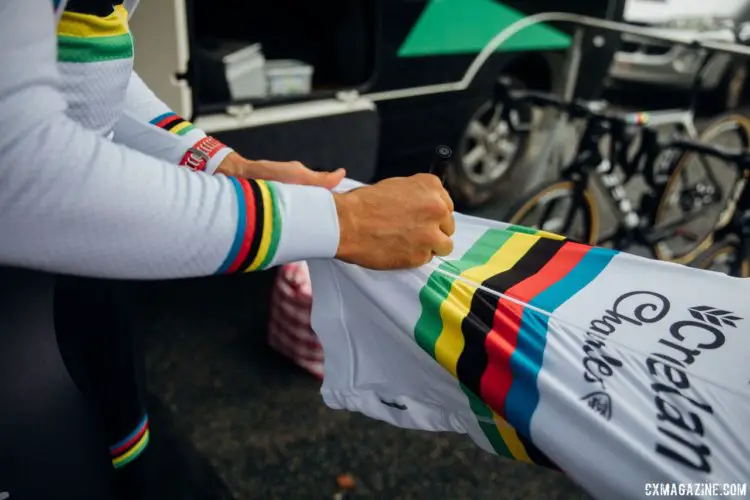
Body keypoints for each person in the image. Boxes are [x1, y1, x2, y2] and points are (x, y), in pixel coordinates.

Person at [0, 0, 455, 499]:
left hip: (82, 276)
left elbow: (85, 56)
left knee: (129, 452)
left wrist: (224, 165)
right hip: (19, 306)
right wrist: (342, 223)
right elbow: (19, 170)